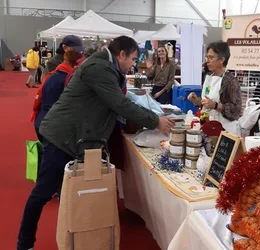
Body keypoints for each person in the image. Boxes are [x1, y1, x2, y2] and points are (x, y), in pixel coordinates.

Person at [16, 36, 175, 250]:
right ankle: (24, 244)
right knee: (43, 192)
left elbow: (118, 102)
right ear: (121, 55)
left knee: (70, 192)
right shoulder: (100, 68)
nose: (133, 64)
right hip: (62, 136)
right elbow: (119, 103)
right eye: (133, 59)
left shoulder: (106, 66)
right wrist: (155, 120)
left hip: (77, 136)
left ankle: (71, 237)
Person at [31, 35, 84, 143]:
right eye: (75, 50)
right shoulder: (56, 66)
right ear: (65, 48)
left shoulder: (66, 66)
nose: (79, 55)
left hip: (49, 120)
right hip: (52, 121)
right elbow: (48, 89)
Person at [187, 41, 242, 134]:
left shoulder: (230, 81)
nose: (207, 61)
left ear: (221, 60)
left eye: (211, 57)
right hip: (208, 127)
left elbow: (236, 110)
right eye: (207, 57)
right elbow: (207, 103)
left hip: (225, 130)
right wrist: (196, 100)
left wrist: (215, 105)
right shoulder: (209, 77)